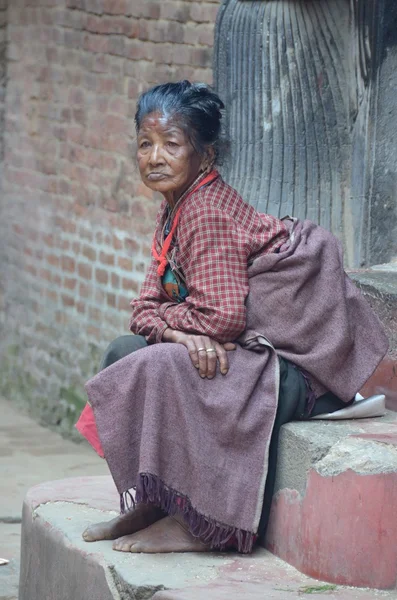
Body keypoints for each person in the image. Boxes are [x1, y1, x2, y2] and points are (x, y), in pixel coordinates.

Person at [77, 81, 388, 554]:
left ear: (205, 155)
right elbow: (143, 308)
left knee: (156, 364)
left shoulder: (204, 211)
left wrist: (175, 330)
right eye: (145, 144)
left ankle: (201, 524)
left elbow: (219, 321)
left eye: (171, 144)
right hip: (245, 348)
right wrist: (180, 333)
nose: (155, 156)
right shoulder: (174, 210)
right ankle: (157, 501)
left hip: (292, 370)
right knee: (125, 352)